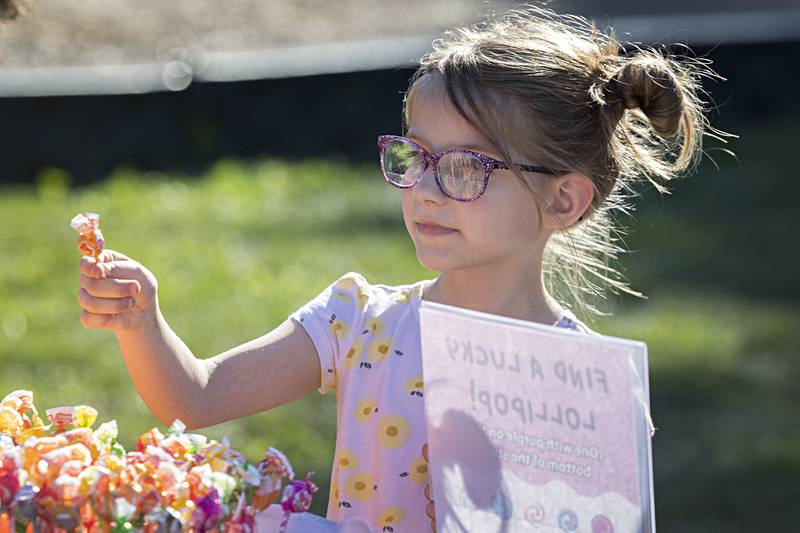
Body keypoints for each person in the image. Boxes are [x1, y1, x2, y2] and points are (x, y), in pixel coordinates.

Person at [76, 4, 727, 531]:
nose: (426, 189)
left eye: (467, 166)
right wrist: (142, 321)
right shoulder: (360, 323)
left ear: (564, 199)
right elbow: (194, 397)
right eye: (414, 155)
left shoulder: (586, 390)